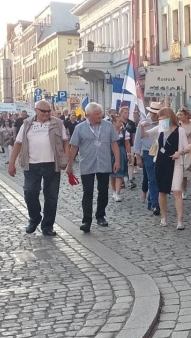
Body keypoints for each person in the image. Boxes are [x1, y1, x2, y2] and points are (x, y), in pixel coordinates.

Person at [8, 100, 70, 237]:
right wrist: (11, 163)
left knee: (51, 196)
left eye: (49, 111)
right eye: (44, 111)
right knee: (30, 191)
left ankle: (47, 226)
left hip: (52, 164)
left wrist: (66, 160)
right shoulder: (27, 124)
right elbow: (18, 144)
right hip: (32, 164)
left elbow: (66, 142)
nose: (47, 114)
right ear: (36, 110)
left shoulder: (58, 123)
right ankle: (34, 218)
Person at [67, 102, 120, 233]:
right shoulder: (79, 128)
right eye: (96, 114)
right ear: (88, 115)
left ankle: (100, 215)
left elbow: (114, 144)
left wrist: (117, 161)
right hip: (87, 164)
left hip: (104, 163)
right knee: (88, 192)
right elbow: (74, 147)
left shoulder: (108, 126)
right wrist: (69, 165)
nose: (100, 115)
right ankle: (86, 220)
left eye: (100, 113)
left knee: (103, 191)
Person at [153, 107, 191, 229]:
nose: (159, 119)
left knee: (177, 191)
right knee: (162, 191)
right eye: (159, 117)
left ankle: (180, 220)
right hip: (161, 162)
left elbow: (187, 147)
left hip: (175, 163)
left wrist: (179, 153)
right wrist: (142, 126)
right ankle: (163, 217)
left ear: (168, 117)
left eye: (161, 116)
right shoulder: (160, 130)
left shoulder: (180, 131)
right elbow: (145, 134)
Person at [139, 102, 162, 214]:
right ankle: (155, 204)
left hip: (160, 153)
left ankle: (150, 201)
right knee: (152, 178)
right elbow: (139, 138)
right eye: (152, 113)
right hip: (148, 152)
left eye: (156, 113)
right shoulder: (144, 122)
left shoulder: (163, 124)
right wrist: (137, 155)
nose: (154, 116)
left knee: (157, 178)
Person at [110, 109, 131, 202]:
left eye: (121, 122)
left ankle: (118, 193)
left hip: (121, 152)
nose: (121, 123)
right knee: (112, 174)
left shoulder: (124, 131)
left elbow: (127, 143)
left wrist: (129, 154)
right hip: (110, 152)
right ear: (114, 122)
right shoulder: (109, 131)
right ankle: (114, 191)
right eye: (119, 121)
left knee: (119, 173)